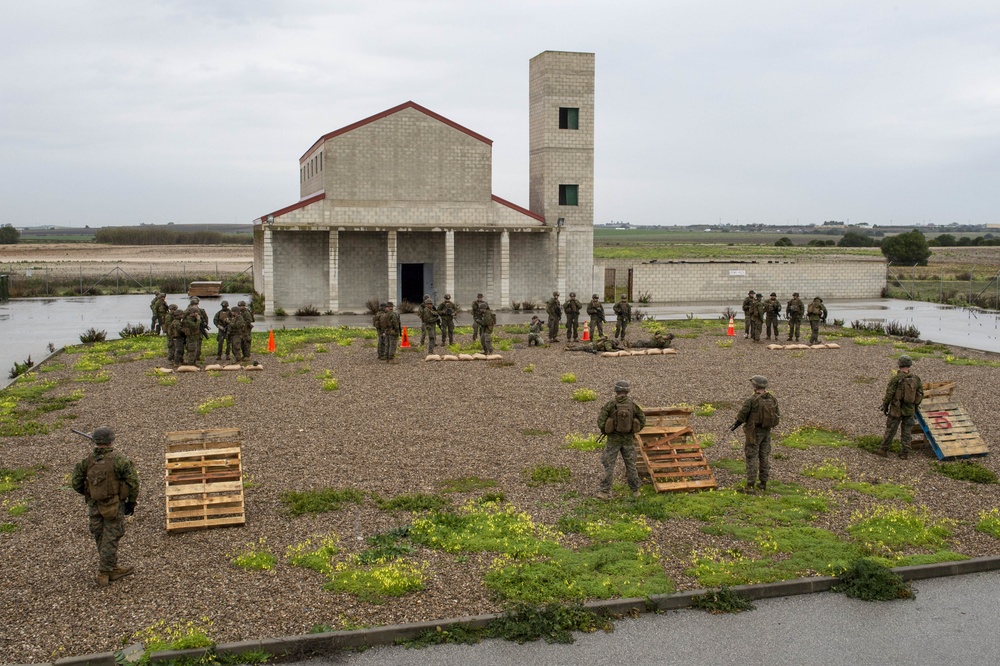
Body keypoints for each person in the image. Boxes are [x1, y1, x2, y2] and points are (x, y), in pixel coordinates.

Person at [70, 427, 140, 587]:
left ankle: (112, 566)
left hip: (94, 504)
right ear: (111, 441)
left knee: (100, 536)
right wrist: (131, 502)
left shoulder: (87, 461)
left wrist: (91, 494)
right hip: (114, 504)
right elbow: (133, 483)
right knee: (111, 536)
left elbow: (76, 483)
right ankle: (105, 572)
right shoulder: (119, 460)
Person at [596, 380, 646, 500]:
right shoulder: (633, 405)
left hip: (613, 440)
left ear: (616, 390)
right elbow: (643, 420)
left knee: (609, 465)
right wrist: (632, 431)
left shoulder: (610, 405)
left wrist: (607, 431)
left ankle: (604, 492)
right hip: (628, 440)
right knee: (631, 465)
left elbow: (600, 421)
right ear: (627, 391)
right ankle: (635, 491)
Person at [730, 375, 780, 492]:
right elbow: (777, 415)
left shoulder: (752, 400)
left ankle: (750, 486)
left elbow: (742, 416)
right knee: (764, 456)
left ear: (755, 385)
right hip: (767, 431)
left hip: (754, 432)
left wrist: (735, 425)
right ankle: (763, 483)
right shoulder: (772, 399)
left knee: (751, 456)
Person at [878, 355, 923, 460]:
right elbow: (920, 393)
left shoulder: (896, 378)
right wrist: (915, 406)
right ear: (910, 365)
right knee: (907, 431)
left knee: (891, 429)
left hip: (896, 409)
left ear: (899, 364)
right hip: (910, 409)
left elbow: (889, 393)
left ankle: (883, 450)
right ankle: (905, 452)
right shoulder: (916, 378)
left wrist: (885, 405)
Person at [181, 299, 203, 365]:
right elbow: (195, 326)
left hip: (194, 337)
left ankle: (193, 362)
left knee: (195, 350)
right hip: (191, 337)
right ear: (192, 313)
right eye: (196, 312)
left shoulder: (193, 319)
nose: (197, 314)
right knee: (191, 350)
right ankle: (191, 363)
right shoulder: (188, 320)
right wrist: (198, 320)